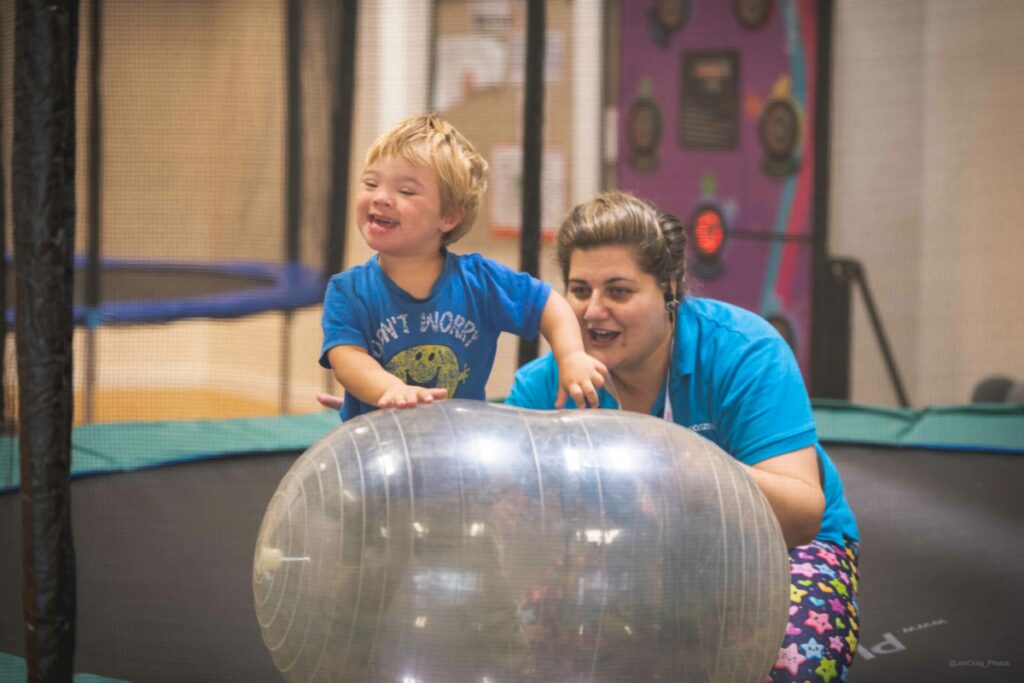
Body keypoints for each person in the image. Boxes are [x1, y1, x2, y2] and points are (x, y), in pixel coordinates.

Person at [504, 191, 860, 683]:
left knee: (790, 669)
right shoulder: (545, 386)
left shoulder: (744, 352)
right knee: (518, 648)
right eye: (580, 290)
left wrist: (681, 464)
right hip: (627, 557)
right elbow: (509, 524)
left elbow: (800, 513)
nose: (592, 311)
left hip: (774, 553)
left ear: (669, 289)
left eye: (620, 291)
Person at [320, 114, 606, 421]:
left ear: (449, 217)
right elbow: (347, 359)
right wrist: (390, 388)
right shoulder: (348, 291)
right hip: (380, 450)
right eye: (371, 183)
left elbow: (549, 305)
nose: (380, 198)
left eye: (406, 191)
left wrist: (572, 355)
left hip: (456, 445)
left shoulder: (479, 282)